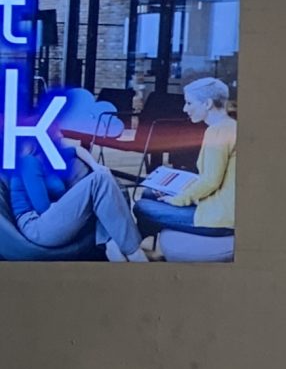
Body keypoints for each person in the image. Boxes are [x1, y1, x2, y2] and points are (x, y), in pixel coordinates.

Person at [7, 89, 142, 260]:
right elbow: (43, 208)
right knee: (99, 182)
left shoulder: (48, 157)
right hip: (36, 227)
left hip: (50, 219)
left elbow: (77, 150)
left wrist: (96, 165)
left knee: (105, 181)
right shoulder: (28, 162)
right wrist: (76, 199)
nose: (60, 135)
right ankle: (133, 252)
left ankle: (110, 245)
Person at [135, 76, 236, 240]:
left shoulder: (217, 132)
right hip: (219, 206)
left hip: (217, 219)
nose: (184, 109)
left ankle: (131, 245)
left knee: (141, 206)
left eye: (189, 103)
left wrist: (178, 200)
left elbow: (210, 181)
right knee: (149, 193)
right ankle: (135, 244)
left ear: (207, 104)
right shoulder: (230, 126)